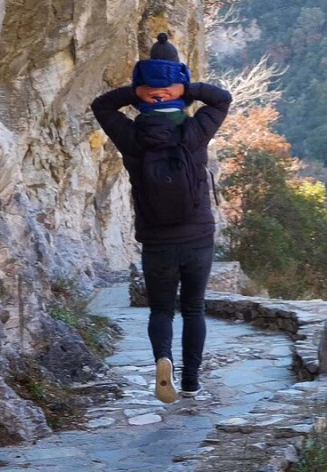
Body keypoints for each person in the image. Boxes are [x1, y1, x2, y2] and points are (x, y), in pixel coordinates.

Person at [91, 32, 232, 403]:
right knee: (194, 308)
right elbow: (221, 98)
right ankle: (191, 382)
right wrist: (184, 87)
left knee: (161, 310)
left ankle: (162, 359)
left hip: (156, 239)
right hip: (197, 235)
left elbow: (102, 105)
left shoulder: (132, 137)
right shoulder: (194, 133)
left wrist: (139, 88)